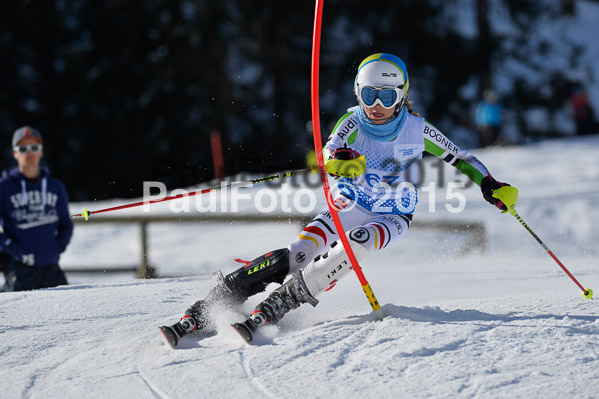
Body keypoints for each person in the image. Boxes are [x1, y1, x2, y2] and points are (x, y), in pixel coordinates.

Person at [159, 53, 516, 347]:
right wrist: (341, 160)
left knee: (356, 246)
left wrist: (490, 185)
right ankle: (212, 304)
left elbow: (462, 158)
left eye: (388, 97)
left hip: (392, 216)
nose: (377, 106)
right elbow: (331, 151)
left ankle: (280, 303)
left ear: (402, 94)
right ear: (358, 93)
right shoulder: (353, 120)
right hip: (349, 204)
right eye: (369, 95)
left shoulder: (417, 129)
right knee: (297, 253)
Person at [0, 126, 73, 291]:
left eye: (34, 147)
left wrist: (58, 247)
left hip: (52, 270)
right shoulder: (4, 188)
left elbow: (66, 223)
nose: (29, 153)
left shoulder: (56, 187)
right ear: (14, 153)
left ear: (41, 151)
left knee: (67, 312)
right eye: (23, 148)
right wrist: (12, 248)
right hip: (19, 271)